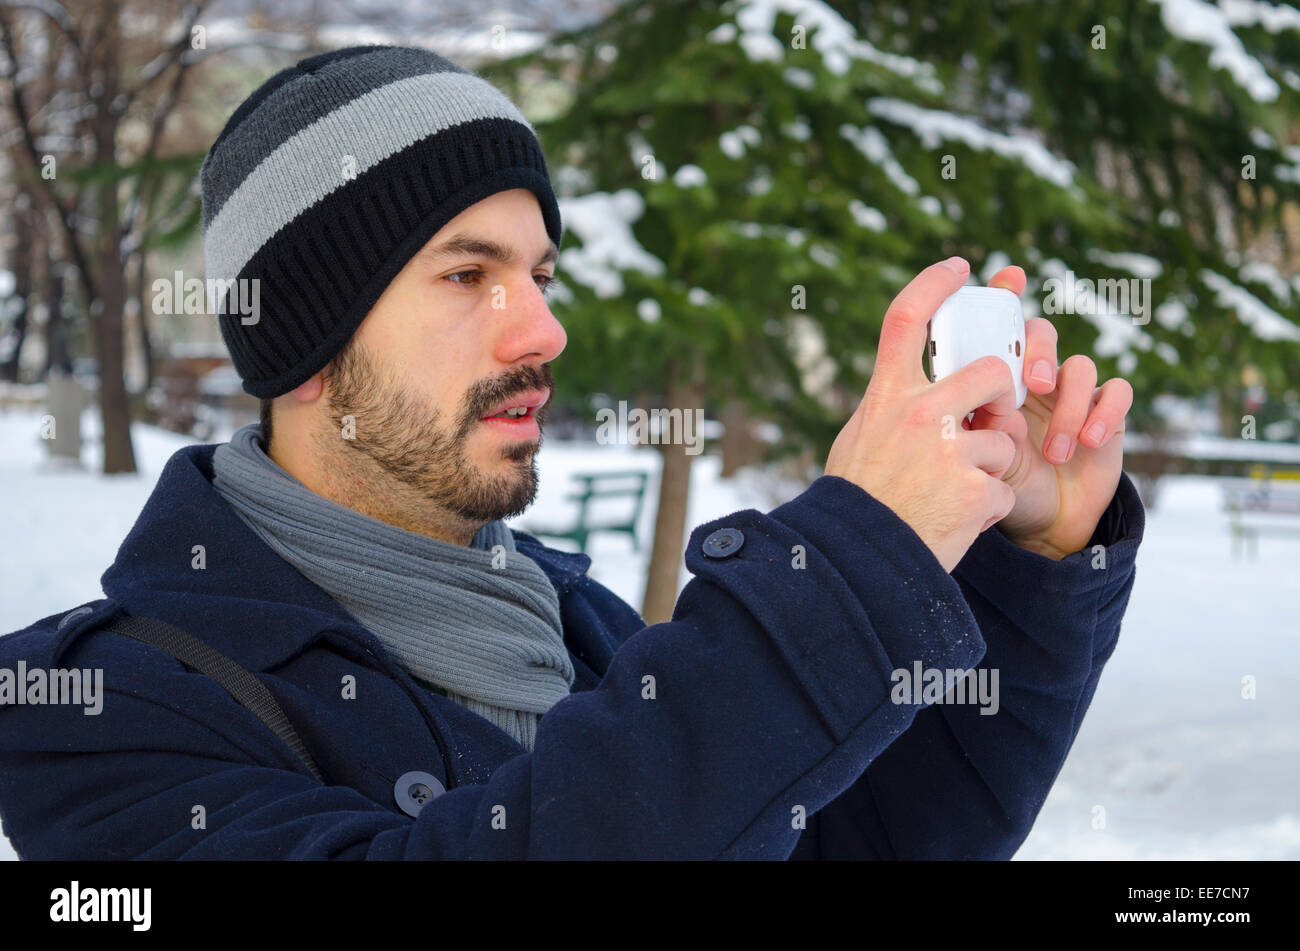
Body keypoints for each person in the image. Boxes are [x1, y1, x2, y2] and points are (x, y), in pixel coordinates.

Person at [0, 45, 1141, 860]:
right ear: (303, 345)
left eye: (540, 276)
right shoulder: (101, 711)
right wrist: (849, 558)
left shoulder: (581, 628)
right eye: (466, 275)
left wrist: (1032, 562)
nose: (544, 330)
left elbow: (863, 841)